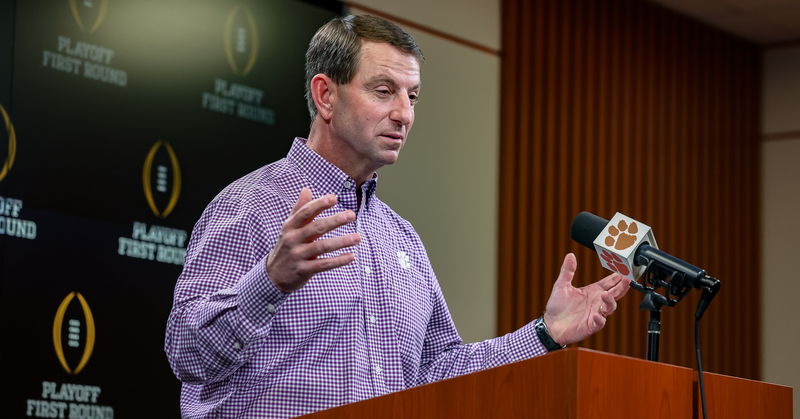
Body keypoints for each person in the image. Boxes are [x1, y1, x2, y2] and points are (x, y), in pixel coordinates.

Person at [165, 14, 630, 418]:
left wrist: (546, 334)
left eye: (413, 96)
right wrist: (269, 281)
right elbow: (187, 356)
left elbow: (440, 372)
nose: (404, 114)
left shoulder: (401, 237)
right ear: (325, 96)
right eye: (384, 91)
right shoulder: (249, 205)